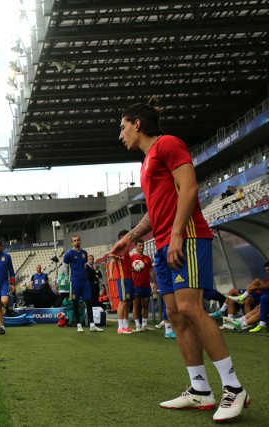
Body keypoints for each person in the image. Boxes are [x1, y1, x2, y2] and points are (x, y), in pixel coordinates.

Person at [111, 97, 249, 421]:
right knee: (175, 315)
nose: (120, 135)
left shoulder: (168, 144)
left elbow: (188, 189)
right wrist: (130, 238)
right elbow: (155, 210)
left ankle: (233, 387)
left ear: (137, 124)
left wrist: (175, 236)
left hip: (185, 236)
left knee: (190, 307)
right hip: (162, 244)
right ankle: (200, 389)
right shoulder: (145, 163)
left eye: (122, 127)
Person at [63, 236, 104, 332]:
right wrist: (68, 278)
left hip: (85, 281)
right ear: (72, 242)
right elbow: (65, 267)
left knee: (89, 301)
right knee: (75, 302)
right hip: (75, 281)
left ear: (80, 241)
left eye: (78, 240)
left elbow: (85, 265)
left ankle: (92, 325)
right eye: (74, 241)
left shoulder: (84, 253)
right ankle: (78, 325)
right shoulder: (69, 254)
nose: (76, 242)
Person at [109, 231, 135, 334]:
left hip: (129, 278)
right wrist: (111, 273)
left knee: (128, 302)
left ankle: (125, 325)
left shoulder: (127, 251)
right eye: (125, 237)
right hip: (122, 279)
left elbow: (126, 265)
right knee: (123, 302)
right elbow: (112, 261)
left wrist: (134, 269)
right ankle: (120, 327)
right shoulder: (118, 249)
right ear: (121, 239)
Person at [131, 239, 158, 331]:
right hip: (135, 285)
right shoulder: (132, 258)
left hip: (146, 285)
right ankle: (138, 325)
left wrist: (155, 282)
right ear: (136, 247)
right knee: (136, 306)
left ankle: (144, 325)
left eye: (143, 245)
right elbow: (128, 270)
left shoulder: (147, 259)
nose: (142, 247)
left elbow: (151, 271)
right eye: (139, 245)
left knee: (145, 305)